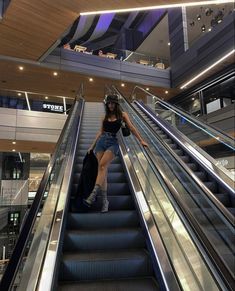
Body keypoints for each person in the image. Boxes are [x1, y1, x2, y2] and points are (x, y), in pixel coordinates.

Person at [83, 94, 148, 213]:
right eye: (109, 103)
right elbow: (100, 132)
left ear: (116, 104)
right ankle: (105, 202)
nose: (111, 105)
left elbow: (132, 128)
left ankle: (93, 195)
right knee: (102, 171)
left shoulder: (123, 115)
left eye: (113, 103)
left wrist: (141, 140)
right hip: (101, 143)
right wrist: (92, 146)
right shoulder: (104, 117)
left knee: (102, 166)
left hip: (113, 143)